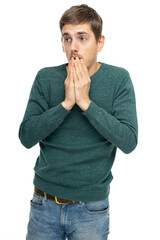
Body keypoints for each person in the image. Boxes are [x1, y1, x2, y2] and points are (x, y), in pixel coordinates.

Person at [19, 4, 138, 240]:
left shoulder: (119, 79)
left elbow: (129, 141)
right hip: (44, 204)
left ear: (100, 42)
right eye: (67, 38)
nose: (73, 47)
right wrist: (65, 104)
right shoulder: (46, 77)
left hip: (91, 210)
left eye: (82, 38)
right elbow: (26, 137)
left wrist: (85, 103)